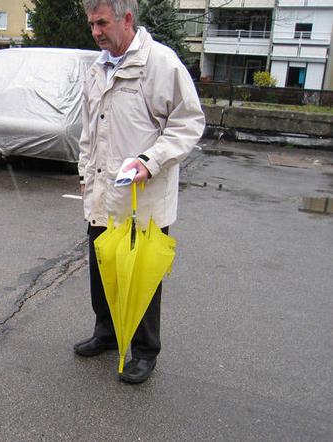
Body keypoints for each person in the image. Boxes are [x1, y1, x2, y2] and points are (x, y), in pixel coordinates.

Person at [74, 0, 205, 383]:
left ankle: (145, 351)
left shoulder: (160, 64)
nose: (96, 31)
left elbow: (189, 122)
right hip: (103, 195)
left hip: (142, 201)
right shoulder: (97, 68)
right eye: (91, 23)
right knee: (103, 271)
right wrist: (84, 172)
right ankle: (108, 333)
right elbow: (89, 130)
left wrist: (150, 160)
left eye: (102, 22)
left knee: (141, 278)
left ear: (127, 19)